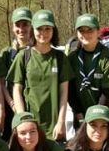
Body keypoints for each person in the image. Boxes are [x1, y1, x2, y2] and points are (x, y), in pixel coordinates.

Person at [9, 9, 73, 141]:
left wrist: (61, 122)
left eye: (47, 29)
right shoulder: (23, 57)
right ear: (33, 30)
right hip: (30, 126)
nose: (43, 33)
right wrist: (22, 119)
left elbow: (64, 93)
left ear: (53, 30)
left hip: (54, 126)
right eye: (39, 29)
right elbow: (17, 90)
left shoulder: (60, 58)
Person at [68, 13, 109, 126]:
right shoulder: (72, 58)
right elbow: (71, 91)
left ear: (98, 31)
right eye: (81, 31)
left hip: (104, 117)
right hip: (81, 117)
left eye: (90, 30)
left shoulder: (107, 55)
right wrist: (79, 113)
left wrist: (95, 119)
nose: (85, 34)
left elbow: (107, 91)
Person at [0, 7, 34, 138]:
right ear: (13, 27)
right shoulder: (6, 53)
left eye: (25, 24)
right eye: (17, 25)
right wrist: (12, 104)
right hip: (11, 110)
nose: (21, 29)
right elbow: (2, 83)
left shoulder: (37, 51)